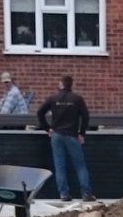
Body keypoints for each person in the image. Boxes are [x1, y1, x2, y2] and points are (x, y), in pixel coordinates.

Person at [36, 74, 94, 205]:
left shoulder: (53, 98)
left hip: (56, 135)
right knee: (80, 165)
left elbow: (40, 112)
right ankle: (86, 193)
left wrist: (47, 128)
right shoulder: (77, 99)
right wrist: (82, 133)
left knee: (60, 165)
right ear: (71, 85)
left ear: (61, 84)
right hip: (72, 135)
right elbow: (85, 116)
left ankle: (64, 194)